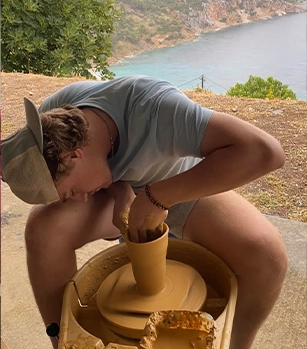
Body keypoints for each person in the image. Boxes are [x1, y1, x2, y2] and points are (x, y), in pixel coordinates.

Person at [1, 75, 287, 349]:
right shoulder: (50, 126)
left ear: (74, 154)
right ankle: (64, 342)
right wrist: (119, 190)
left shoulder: (154, 109)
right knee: (43, 230)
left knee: (265, 254)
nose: (76, 200)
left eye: (70, 192)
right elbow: (84, 180)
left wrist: (159, 196)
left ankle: (235, 345)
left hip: (177, 185)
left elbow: (265, 152)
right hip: (118, 196)